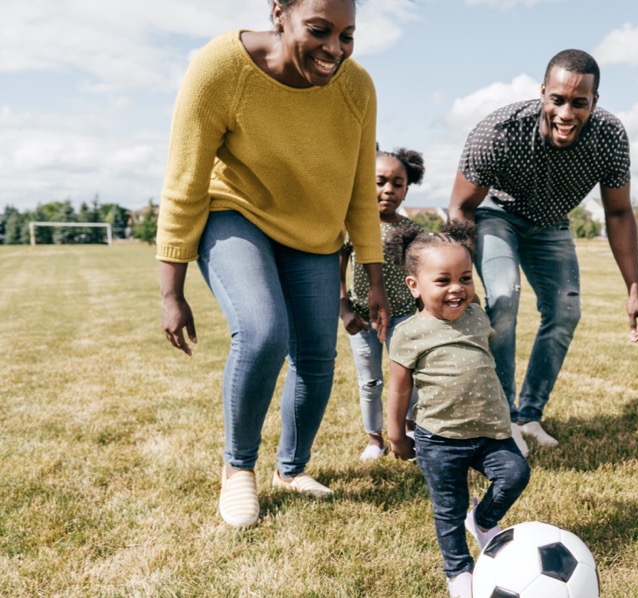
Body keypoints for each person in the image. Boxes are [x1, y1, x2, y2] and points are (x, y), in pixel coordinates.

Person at [157, 0, 388, 529]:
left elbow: (359, 190)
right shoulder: (222, 67)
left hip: (314, 231)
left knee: (315, 355)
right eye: (320, 30)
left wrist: (373, 277)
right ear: (279, 12)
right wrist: (171, 289)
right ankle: (238, 469)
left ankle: (292, 468)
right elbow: (185, 179)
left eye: (347, 35)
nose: (335, 49)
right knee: (263, 333)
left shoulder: (357, 88)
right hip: (235, 211)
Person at [448, 49, 638, 455]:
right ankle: (502, 419)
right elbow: (460, 207)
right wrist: (461, 277)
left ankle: (529, 416)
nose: (566, 113)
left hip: (552, 222)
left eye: (579, 103)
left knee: (565, 312)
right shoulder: (500, 131)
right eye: (557, 100)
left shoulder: (609, 137)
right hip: (496, 215)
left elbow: (618, 211)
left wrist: (634, 289)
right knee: (503, 298)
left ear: (595, 100)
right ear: (543, 93)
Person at [385, 221, 530, 598]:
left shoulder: (477, 316)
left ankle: (483, 521)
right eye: (443, 280)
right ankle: (458, 570)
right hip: (439, 439)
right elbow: (398, 388)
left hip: (489, 431)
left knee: (515, 474)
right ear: (414, 286)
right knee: (448, 509)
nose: (457, 288)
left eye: (465, 278)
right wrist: (397, 434)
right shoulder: (409, 332)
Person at [339, 147, 424, 461]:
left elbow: (424, 273)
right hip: (362, 321)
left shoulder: (412, 231)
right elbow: (338, 268)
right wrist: (344, 308)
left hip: (403, 318)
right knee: (370, 381)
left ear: (406, 188)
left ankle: (409, 428)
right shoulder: (352, 225)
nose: (388, 190)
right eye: (379, 181)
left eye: (397, 183)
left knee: (410, 375)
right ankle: (375, 438)